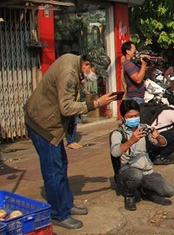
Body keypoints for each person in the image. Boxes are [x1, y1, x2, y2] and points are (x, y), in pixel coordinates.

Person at [24, 50, 117, 229]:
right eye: (95, 72)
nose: (94, 76)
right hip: (43, 125)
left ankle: (66, 204)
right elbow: (66, 108)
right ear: (87, 64)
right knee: (53, 171)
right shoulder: (69, 73)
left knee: (61, 165)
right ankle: (58, 214)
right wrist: (96, 104)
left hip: (51, 124)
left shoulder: (72, 62)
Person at [110, 100, 174, 211]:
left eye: (136, 115)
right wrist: (131, 141)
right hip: (128, 170)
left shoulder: (144, 128)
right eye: (130, 116)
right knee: (136, 175)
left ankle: (145, 191)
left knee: (169, 191)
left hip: (147, 170)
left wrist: (158, 137)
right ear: (124, 117)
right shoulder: (118, 133)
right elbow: (115, 152)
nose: (133, 118)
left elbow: (163, 143)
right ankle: (129, 194)